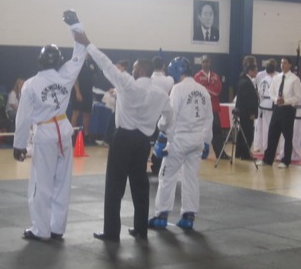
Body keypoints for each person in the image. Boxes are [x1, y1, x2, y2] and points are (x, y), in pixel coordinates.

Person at [72, 30, 172, 242]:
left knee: (114, 186)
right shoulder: (160, 94)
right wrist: (161, 128)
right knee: (140, 185)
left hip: (123, 139)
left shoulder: (127, 83)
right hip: (143, 142)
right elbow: (169, 118)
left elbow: (105, 64)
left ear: (139, 71)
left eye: (134, 68)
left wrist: (88, 43)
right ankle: (141, 229)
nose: (131, 70)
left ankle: (111, 232)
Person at [12, 10, 87, 241]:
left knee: (41, 183)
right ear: (58, 60)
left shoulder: (31, 84)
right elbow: (81, 52)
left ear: (40, 61)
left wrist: (19, 145)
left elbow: (23, 118)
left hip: (45, 134)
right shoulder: (66, 75)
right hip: (64, 130)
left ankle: (41, 230)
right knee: (62, 183)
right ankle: (57, 228)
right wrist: (75, 25)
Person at [148, 57, 211, 230]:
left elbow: (171, 115)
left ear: (177, 71)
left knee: (167, 176)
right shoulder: (203, 90)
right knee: (191, 177)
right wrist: (207, 141)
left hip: (179, 139)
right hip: (197, 139)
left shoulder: (178, 89)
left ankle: (161, 215)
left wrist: (162, 135)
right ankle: (189, 216)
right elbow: (209, 119)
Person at [257, 56, 301, 169]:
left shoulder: (294, 79)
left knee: (287, 136)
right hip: (277, 108)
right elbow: (271, 92)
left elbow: (298, 97)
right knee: (272, 134)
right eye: (281, 63)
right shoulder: (277, 78)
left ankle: (286, 160)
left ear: (290, 65)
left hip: (288, 109)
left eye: (285, 63)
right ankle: (268, 159)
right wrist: (275, 99)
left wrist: (285, 101)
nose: (283, 65)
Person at [194, 54, 226, 159]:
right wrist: (209, 88)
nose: (206, 64)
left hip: (213, 108)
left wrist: (205, 88)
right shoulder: (197, 76)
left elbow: (217, 91)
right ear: (201, 63)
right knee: (200, 131)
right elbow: (198, 91)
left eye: (207, 61)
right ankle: (199, 152)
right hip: (202, 109)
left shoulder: (215, 76)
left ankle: (220, 153)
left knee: (217, 132)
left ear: (210, 62)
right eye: (204, 62)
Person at [234, 62, 259, 160]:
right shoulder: (247, 82)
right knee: (248, 133)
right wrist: (251, 112)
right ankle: (245, 154)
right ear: (250, 71)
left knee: (242, 132)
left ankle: (239, 152)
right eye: (255, 71)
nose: (256, 73)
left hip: (243, 111)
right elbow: (248, 100)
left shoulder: (242, 80)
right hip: (247, 112)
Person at [70, 54, 97, 144]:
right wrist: (77, 91)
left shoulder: (92, 63)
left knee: (87, 113)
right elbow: (74, 78)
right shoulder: (78, 62)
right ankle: (72, 134)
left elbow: (94, 75)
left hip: (88, 92)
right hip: (78, 91)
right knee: (76, 113)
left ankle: (86, 135)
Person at [253, 58, 277, 154]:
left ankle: (264, 146)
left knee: (263, 126)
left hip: (262, 103)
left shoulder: (273, 76)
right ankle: (260, 146)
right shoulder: (261, 75)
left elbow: (258, 90)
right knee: (263, 126)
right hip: (268, 103)